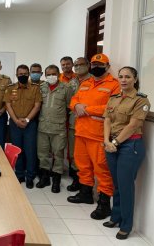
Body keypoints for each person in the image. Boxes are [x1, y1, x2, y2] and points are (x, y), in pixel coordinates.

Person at [67, 53, 120, 220]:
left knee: (102, 169)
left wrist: (87, 109)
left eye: (100, 65)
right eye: (94, 65)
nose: (97, 68)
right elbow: (73, 101)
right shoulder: (86, 83)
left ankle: (104, 205)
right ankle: (85, 193)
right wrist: (77, 105)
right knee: (82, 165)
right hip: (81, 131)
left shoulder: (114, 85)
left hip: (98, 134)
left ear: (107, 66)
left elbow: (113, 107)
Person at [102, 67, 150, 240]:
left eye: (128, 77)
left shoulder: (141, 101)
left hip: (130, 146)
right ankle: (116, 217)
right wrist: (107, 141)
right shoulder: (114, 98)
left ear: (135, 79)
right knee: (117, 184)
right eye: (121, 77)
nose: (123, 80)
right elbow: (107, 119)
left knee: (126, 186)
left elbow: (132, 125)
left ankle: (126, 225)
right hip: (111, 145)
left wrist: (115, 142)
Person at [4, 64, 42, 189]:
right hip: (15, 124)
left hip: (30, 124)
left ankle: (30, 176)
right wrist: (15, 120)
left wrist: (26, 120)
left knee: (30, 151)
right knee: (17, 150)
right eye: (20, 74)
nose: (23, 76)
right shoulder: (10, 88)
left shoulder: (35, 88)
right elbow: (8, 105)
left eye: (25, 74)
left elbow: (37, 105)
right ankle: (19, 174)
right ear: (16, 75)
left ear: (28, 74)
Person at [36, 65, 72, 193]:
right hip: (43, 127)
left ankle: (56, 180)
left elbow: (69, 107)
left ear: (58, 74)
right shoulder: (41, 88)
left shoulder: (66, 88)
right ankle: (45, 178)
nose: (51, 76)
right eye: (48, 74)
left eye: (54, 74)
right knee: (43, 154)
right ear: (45, 76)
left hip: (58, 129)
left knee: (58, 154)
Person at [66, 57, 92, 191]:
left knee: (88, 156)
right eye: (76, 65)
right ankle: (77, 180)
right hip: (73, 123)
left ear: (88, 65)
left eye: (81, 64)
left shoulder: (94, 80)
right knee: (75, 153)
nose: (77, 67)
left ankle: (86, 184)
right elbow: (68, 102)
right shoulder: (72, 82)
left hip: (90, 123)